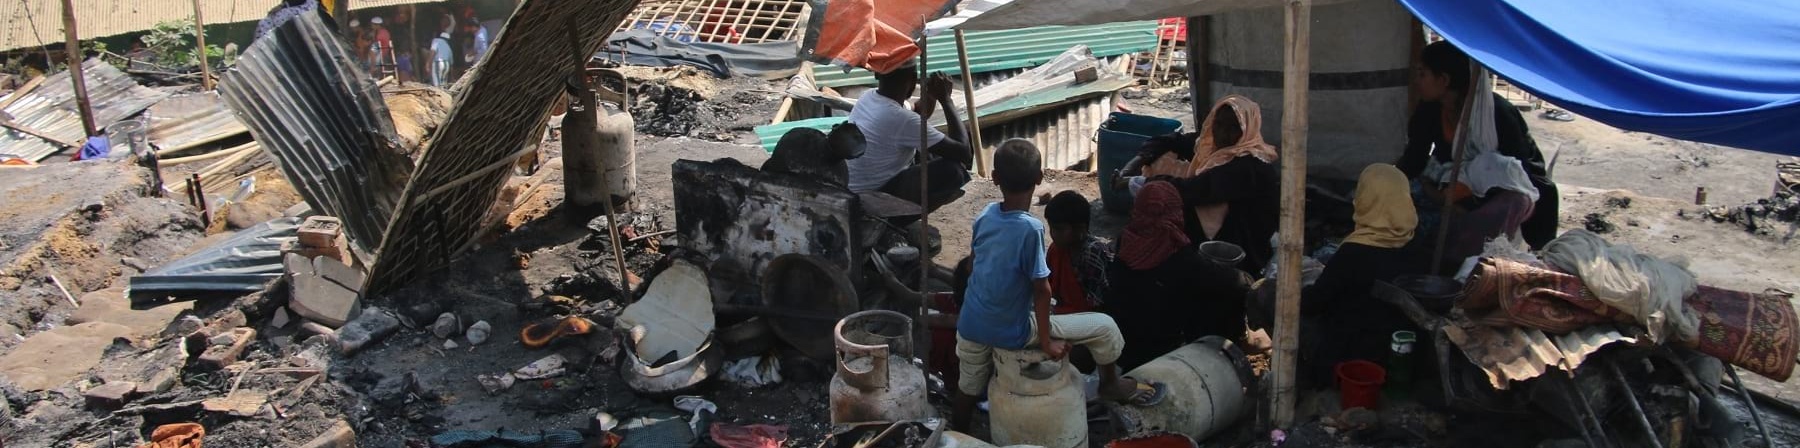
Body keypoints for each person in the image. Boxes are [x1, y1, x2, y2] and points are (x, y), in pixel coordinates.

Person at [950, 139, 1163, 432]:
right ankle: (1110, 384)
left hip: (971, 325)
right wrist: (1047, 341)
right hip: (1015, 331)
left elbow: (973, 266)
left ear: (995, 178)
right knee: (1105, 327)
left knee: (967, 387)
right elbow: (1042, 290)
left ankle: (956, 434)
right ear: (1039, 179)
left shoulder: (986, 215)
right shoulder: (1031, 228)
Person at [1398, 40, 1558, 249]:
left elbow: (1514, 173)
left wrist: (1465, 200)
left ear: (1444, 79)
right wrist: (1391, 180)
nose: (1417, 81)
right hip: (1454, 183)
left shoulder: (1497, 113)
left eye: (1422, 74)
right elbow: (1416, 156)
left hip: (1506, 185)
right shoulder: (1429, 109)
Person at [1297, 164, 1425, 386]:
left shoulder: (1354, 253)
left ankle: (1304, 381)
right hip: (1400, 355)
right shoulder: (1418, 245)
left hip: (1349, 358)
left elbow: (1313, 303)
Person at [1104, 180, 1247, 369]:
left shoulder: (1126, 239)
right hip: (1163, 350)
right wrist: (1245, 279)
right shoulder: (1176, 253)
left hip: (1120, 343)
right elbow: (1229, 283)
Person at [1171, 95, 1281, 273]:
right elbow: (1176, 141)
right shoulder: (1219, 153)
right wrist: (1148, 152)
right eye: (1219, 124)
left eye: (1233, 127)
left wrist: (1146, 184)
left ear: (1247, 129)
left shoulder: (1249, 164)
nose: (1222, 133)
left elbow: (1196, 189)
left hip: (1245, 252)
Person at [845, 65, 974, 212]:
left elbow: (918, 112)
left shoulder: (869, 96)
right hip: (869, 203)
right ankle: (887, 223)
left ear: (876, 74)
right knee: (953, 171)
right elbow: (964, 152)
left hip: (852, 192)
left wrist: (930, 95)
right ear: (913, 79)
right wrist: (946, 100)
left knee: (932, 146)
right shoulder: (901, 119)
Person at [1437, 152, 1538, 271]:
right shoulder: (1517, 190)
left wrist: (1425, 185)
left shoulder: (1507, 203)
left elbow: (1477, 223)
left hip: (1475, 260)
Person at [1044, 191, 1111, 315]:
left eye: (1059, 229)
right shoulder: (1056, 250)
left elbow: (1097, 307)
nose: (1053, 234)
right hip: (1064, 314)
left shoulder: (1092, 253)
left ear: (1080, 228)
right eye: (1051, 227)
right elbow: (1047, 287)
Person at [428, 16, 455, 86]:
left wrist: (428, 64)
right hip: (446, 65)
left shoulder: (436, 41)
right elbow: (451, 64)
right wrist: (452, 77)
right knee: (443, 84)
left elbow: (432, 52)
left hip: (438, 63)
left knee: (437, 84)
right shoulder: (448, 47)